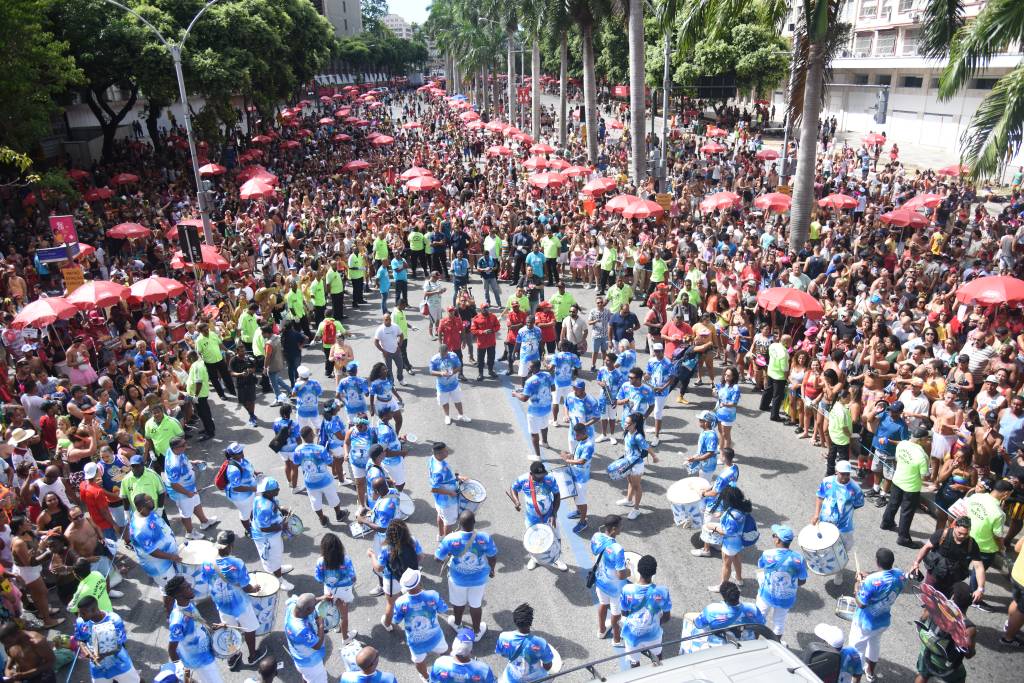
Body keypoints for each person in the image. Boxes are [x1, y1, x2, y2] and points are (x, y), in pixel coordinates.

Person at [200, 530, 267, 667]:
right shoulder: (237, 563)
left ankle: (233, 656)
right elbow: (246, 587)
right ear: (231, 545)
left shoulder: (206, 563)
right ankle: (253, 656)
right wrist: (254, 589)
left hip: (222, 605)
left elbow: (207, 581)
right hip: (240, 604)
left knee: (228, 630)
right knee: (249, 628)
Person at [435, 510, 498, 640]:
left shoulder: (450, 539)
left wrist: (449, 555)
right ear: (474, 522)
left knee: (458, 603)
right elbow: (492, 556)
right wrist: (492, 570)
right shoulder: (484, 537)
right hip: (479, 579)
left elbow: (437, 558)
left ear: (459, 523)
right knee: (476, 604)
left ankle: (457, 624)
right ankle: (476, 631)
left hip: (457, 579)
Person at [847, 548, 906, 683]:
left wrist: (857, 586)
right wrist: (868, 576)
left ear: (876, 561)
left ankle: (855, 680)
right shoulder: (900, 575)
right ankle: (870, 672)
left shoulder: (871, 581)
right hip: (882, 621)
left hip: (865, 623)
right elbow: (883, 580)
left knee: (857, 651)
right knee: (874, 645)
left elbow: (861, 604)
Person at [813, 460, 865, 586]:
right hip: (826, 523)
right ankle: (825, 564)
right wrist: (816, 514)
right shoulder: (827, 482)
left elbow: (858, 504)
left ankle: (839, 572)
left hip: (844, 527)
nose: (845, 477)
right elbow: (820, 497)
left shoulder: (855, 488)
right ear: (836, 472)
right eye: (842, 474)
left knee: (842, 551)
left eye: (847, 474)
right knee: (825, 546)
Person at [393, 568, 450, 683]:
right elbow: (443, 609)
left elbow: (396, 620)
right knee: (444, 653)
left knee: (418, 661)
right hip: (436, 637)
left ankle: (426, 678)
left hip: (415, 642)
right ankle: (446, 673)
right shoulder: (432, 595)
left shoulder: (400, 602)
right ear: (418, 582)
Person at [909, 516, 985, 601]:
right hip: (934, 575)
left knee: (943, 602)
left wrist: (980, 588)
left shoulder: (971, 544)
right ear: (955, 526)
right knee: (928, 599)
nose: (962, 536)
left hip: (952, 580)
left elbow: (979, 567)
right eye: (960, 533)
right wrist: (916, 563)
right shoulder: (942, 534)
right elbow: (926, 547)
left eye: (966, 534)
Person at [128, 493, 182, 613]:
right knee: (169, 589)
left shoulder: (146, 512)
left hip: (168, 557)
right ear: (142, 507)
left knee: (173, 584)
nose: (153, 500)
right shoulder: (141, 528)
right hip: (160, 565)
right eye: (149, 500)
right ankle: (170, 613)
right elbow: (152, 551)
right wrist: (172, 557)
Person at [914, 583, 977, 683]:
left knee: (923, 675)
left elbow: (922, 620)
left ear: (952, 597)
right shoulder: (968, 628)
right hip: (945, 664)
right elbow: (969, 654)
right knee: (960, 677)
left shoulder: (935, 606)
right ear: (970, 603)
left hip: (926, 650)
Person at [510, 461, 567, 571]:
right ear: (531, 474)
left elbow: (557, 495)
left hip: (549, 515)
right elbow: (513, 488)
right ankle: (535, 559)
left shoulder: (549, 479)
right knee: (533, 539)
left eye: (543, 475)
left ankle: (557, 558)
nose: (542, 478)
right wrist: (516, 501)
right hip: (532, 518)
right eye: (539, 476)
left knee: (556, 536)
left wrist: (554, 514)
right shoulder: (523, 480)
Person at [165, 575, 224, 683]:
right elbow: (172, 650)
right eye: (187, 587)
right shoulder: (178, 621)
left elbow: (198, 624)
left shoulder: (187, 604)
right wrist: (184, 674)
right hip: (200, 661)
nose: (191, 586)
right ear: (179, 595)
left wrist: (213, 629)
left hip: (205, 652)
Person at [10, 515, 64, 628]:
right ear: (20, 526)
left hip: (32, 570)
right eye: (26, 521)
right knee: (41, 593)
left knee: (38, 593)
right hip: (27, 572)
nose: (29, 521)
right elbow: (29, 563)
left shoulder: (27, 533)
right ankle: (48, 621)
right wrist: (42, 549)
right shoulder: (19, 542)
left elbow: (37, 533)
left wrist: (49, 532)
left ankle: (43, 612)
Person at [755, 525, 808, 640]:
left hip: (766, 594)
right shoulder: (799, 558)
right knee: (779, 623)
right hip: (786, 598)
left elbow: (761, 567)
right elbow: (802, 580)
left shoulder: (767, 554)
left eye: (774, 535)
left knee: (759, 618)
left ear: (778, 540)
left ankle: (754, 642)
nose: (773, 537)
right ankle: (776, 644)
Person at [619, 554, 672, 667]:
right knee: (657, 658)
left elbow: (624, 613)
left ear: (638, 570)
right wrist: (654, 624)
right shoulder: (662, 591)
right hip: (653, 635)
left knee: (634, 662)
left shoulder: (627, 589)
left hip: (632, 635)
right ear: (654, 572)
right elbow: (667, 617)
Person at [74, 595, 140, 683]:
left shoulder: (114, 619)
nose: (80, 616)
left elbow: (119, 645)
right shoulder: (80, 622)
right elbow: (81, 640)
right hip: (98, 670)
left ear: (94, 610)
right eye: (79, 613)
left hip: (120, 665)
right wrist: (87, 653)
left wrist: (100, 656)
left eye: (83, 613)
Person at [162, 437, 218, 540]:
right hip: (181, 492)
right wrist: (187, 493)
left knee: (196, 503)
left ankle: (204, 522)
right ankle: (190, 533)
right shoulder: (174, 465)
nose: (186, 446)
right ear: (176, 448)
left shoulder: (172, 450)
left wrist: (192, 462)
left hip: (189, 487)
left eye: (185, 443)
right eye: (183, 445)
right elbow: (174, 484)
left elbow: (183, 461)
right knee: (186, 513)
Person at [689, 581, 765, 652]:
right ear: (738, 593)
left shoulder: (711, 610)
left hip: (719, 647)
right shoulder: (752, 608)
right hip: (747, 645)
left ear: (723, 596)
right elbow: (760, 628)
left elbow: (698, 625)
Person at [294, 425, 347, 526]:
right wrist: (330, 455)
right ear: (311, 435)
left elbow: (296, 463)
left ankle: (322, 520)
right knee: (333, 498)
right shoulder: (320, 449)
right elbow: (330, 462)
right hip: (325, 481)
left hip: (309, 482)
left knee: (315, 502)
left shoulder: (298, 450)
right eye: (313, 433)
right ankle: (339, 515)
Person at [589, 514, 629, 646]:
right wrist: (629, 571)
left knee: (603, 604)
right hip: (615, 588)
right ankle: (616, 640)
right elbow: (621, 575)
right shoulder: (617, 549)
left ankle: (601, 631)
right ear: (613, 529)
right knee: (616, 614)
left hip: (600, 581)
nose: (622, 528)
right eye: (620, 526)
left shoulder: (596, 536)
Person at [250, 477, 295, 591]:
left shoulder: (261, 497)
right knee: (273, 558)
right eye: (276, 489)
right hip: (266, 538)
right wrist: (282, 526)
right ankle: (279, 579)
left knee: (276, 555)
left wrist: (281, 509)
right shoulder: (265, 508)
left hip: (271, 534)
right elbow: (264, 528)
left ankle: (278, 568)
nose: (278, 490)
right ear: (268, 492)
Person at [616, 411, 658, 520]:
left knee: (636, 486)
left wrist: (654, 457)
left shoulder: (638, 437)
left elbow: (647, 447)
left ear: (634, 424)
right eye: (624, 422)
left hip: (636, 465)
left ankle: (636, 509)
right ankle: (629, 500)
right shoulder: (627, 432)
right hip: (628, 463)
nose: (625, 424)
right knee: (630, 482)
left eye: (627, 423)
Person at [315, 532, 357, 640]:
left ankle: (337, 626)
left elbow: (319, 578)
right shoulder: (346, 559)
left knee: (333, 609)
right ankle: (345, 638)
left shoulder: (320, 561)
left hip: (329, 591)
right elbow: (353, 577)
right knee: (344, 616)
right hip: (344, 591)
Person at [284, 593, 328, 683]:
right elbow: (317, 645)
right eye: (314, 607)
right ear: (308, 610)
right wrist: (321, 625)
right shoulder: (300, 629)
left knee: (306, 677)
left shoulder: (292, 605)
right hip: (311, 665)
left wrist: (322, 598)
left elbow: (304, 602)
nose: (315, 608)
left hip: (300, 659)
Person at [514, 361, 553, 461]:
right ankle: (545, 442)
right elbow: (553, 388)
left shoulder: (529, 381)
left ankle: (537, 456)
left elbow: (524, 398)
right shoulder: (547, 375)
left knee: (534, 433)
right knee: (544, 426)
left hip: (535, 411)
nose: (528, 368)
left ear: (534, 368)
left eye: (530, 367)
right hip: (547, 406)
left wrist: (515, 394)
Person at [560, 421, 595, 533]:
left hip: (581, 479)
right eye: (575, 434)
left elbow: (582, 461)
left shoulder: (588, 445)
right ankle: (579, 512)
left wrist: (567, 460)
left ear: (584, 432)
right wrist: (569, 455)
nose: (575, 437)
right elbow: (577, 456)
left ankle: (583, 522)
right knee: (576, 497)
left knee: (581, 501)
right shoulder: (581, 441)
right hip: (575, 474)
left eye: (577, 435)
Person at [429, 627, 495, 683]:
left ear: (453, 647)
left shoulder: (440, 663)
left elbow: (433, 680)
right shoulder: (483, 669)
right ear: (471, 651)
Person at [428, 442, 464, 539]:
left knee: (440, 515)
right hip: (447, 501)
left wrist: (456, 477)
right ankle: (447, 543)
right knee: (448, 523)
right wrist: (450, 493)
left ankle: (440, 536)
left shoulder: (433, 458)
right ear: (439, 453)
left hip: (440, 500)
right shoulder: (439, 470)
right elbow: (433, 489)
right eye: (445, 451)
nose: (447, 452)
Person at [221, 442, 258, 536]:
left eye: (241, 451)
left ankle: (254, 524)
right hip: (241, 497)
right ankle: (249, 531)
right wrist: (252, 488)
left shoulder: (241, 459)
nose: (242, 453)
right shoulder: (233, 470)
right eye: (239, 452)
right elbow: (236, 488)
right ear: (232, 456)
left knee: (252, 508)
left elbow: (248, 468)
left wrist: (255, 473)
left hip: (250, 491)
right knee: (245, 514)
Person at [429, 343, 471, 425]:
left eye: (444, 354)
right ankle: (447, 416)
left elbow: (459, 366)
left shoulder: (453, 356)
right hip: (442, 386)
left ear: (447, 351)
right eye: (441, 354)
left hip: (454, 385)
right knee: (444, 402)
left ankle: (461, 415)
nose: (442, 356)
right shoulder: (434, 359)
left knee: (458, 401)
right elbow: (431, 371)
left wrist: (452, 373)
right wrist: (441, 373)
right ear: (438, 351)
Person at [760, 334, 791, 421]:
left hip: (771, 372)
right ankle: (774, 416)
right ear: (786, 342)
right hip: (779, 377)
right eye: (790, 341)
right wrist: (787, 378)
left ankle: (763, 406)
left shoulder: (773, 345)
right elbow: (784, 369)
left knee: (768, 390)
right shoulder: (784, 353)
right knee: (777, 396)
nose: (791, 343)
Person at [292, 365, 323, 434]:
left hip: (302, 410)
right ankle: (318, 438)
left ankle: (305, 439)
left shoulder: (298, 384)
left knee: (302, 428)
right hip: (313, 408)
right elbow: (320, 393)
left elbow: (293, 395)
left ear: (299, 375)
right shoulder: (315, 383)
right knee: (318, 426)